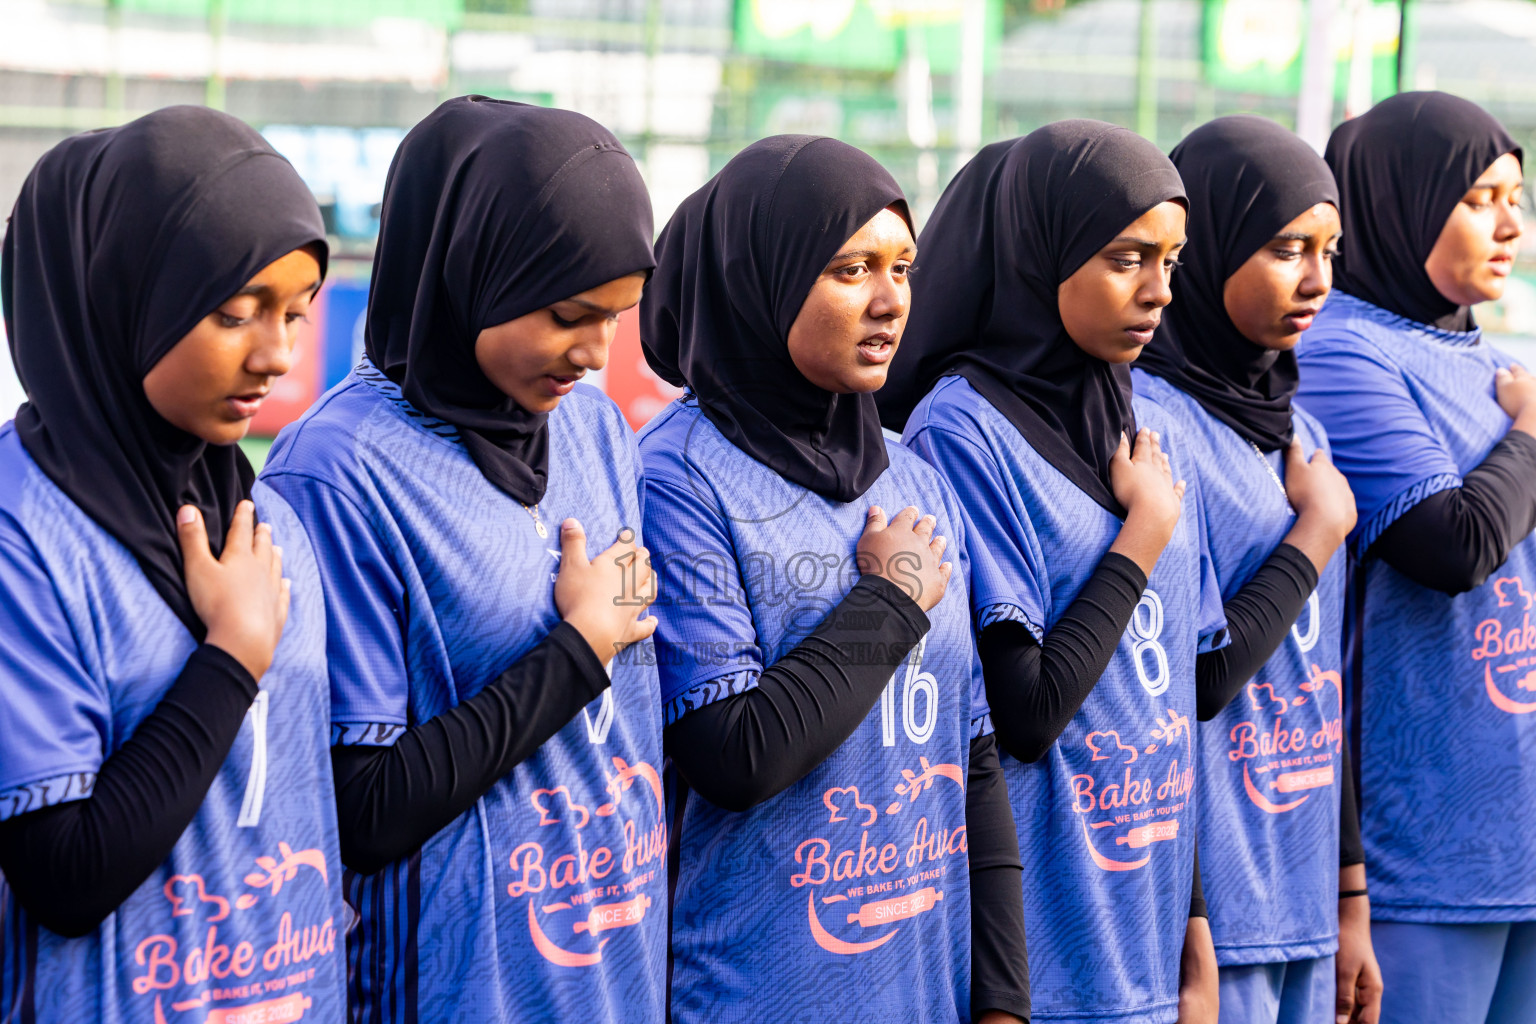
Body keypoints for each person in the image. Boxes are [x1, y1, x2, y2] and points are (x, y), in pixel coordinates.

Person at [259, 97, 665, 1023]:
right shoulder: (339, 471)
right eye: (569, 313)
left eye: (617, 317)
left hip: (609, 974)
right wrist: (575, 652)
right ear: (471, 271)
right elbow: (363, 810)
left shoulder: (596, 430)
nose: (596, 354)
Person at [638, 134, 1028, 1024]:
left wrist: (1003, 999)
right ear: (762, 279)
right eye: (852, 269)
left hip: (923, 990)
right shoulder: (678, 478)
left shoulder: (912, 476)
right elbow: (731, 754)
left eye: (904, 267)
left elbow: (972, 756)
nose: (892, 300)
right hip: (753, 993)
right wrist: (888, 603)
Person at [0, 106, 343, 1023]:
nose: (275, 354)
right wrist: (230, 658)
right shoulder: (21, 535)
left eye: (296, 314)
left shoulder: (252, 508)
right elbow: (63, 874)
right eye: (235, 313)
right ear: (123, 298)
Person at [881, 120, 1223, 1024]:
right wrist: (1142, 535)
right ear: (1043, 256)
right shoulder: (962, 430)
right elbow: (1022, 711)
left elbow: (1174, 702)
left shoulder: (1138, 415)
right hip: (1047, 962)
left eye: (1173, 261)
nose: (1159, 291)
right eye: (1126, 259)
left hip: (1145, 942)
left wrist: (1191, 916)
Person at [1130, 114, 1378, 1024]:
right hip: (1211, 921)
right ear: (1207, 249)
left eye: (1330, 249)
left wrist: (1349, 904)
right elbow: (1198, 676)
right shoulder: (1151, 426)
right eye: (1286, 249)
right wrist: (1313, 535)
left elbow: (1321, 689)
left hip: (1305, 905)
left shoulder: (1298, 429)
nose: (1318, 279)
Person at [1295, 90, 1536, 1023]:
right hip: (1414, 853)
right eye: (1479, 197)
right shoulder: (1344, 352)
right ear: (1397, 202)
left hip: (1512, 840)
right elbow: (1454, 545)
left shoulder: (1497, 366)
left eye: (1516, 194)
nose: (1511, 221)